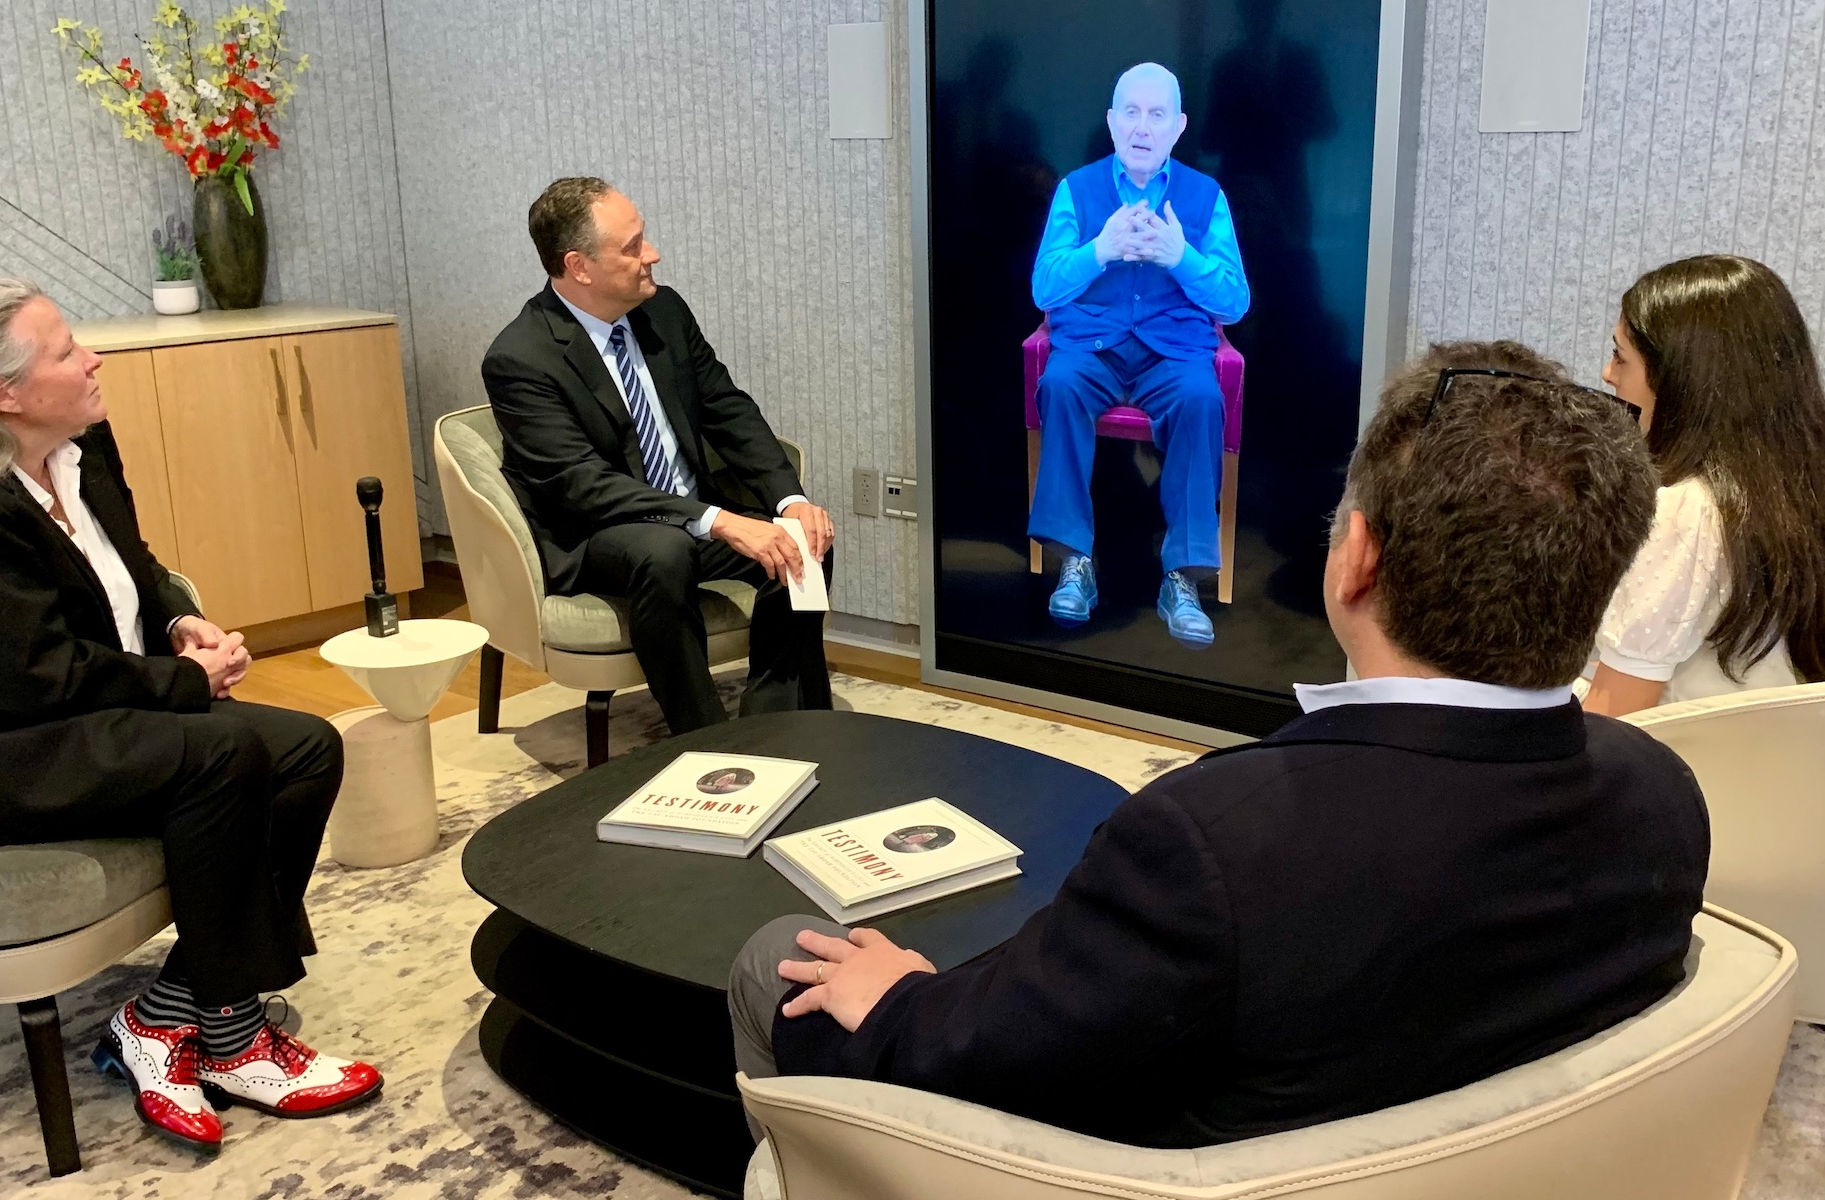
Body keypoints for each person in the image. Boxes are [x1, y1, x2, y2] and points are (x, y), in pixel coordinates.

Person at [728, 341, 1708, 1148]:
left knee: (781, 958)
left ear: (1355, 559)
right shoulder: (1662, 793)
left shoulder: (1218, 841)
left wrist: (905, 1002)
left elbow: (1015, 1059)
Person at [0, 274, 381, 1154]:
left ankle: (162, 1015)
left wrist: (172, 617)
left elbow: (131, 560)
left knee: (307, 746)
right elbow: (34, 679)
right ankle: (234, 1038)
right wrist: (189, 685)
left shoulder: (80, 442)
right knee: (224, 753)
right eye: (65, 352)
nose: (92, 358)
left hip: (62, 709)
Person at [483, 177, 834, 733]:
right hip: (598, 530)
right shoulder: (520, 358)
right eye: (632, 246)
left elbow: (727, 407)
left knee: (804, 542)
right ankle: (705, 741)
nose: (653, 254)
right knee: (664, 550)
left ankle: (778, 724)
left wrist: (790, 501)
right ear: (579, 266)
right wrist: (718, 522)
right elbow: (582, 485)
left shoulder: (664, 311)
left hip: (689, 514)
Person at [1028, 62, 1250, 647]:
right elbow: (1044, 288)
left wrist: (1182, 256)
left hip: (1173, 353)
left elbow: (1234, 300)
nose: (1142, 127)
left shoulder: (1207, 198)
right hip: (1092, 345)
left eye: (1157, 115)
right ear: (1111, 122)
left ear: (1178, 127)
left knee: (1203, 397)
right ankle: (1076, 561)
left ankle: (1180, 576)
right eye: (1131, 112)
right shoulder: (1076, 189)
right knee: (1061, 383)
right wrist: (1099, 249)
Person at [1584, 255, 1825, 717]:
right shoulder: (1784, 491)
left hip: (1668, 763)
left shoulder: (1686, 513)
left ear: (1681, 380)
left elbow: (1612, 717)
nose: (1608, 375)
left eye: (1620, 357)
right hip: (1746, 751)